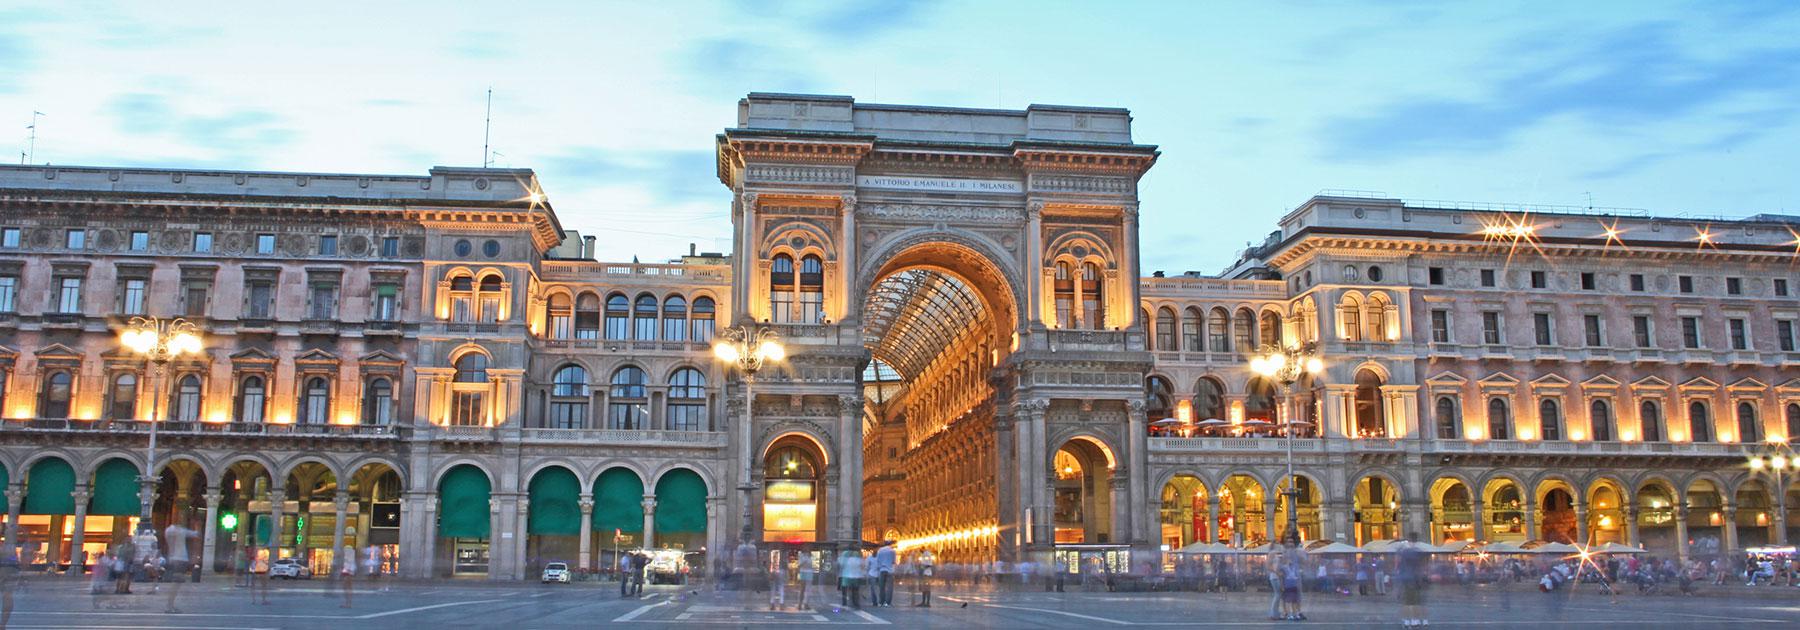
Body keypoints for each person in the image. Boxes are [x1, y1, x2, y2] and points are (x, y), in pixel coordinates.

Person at [164, 517, 197, 613]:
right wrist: (196, 525)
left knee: (176, 584)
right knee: (176, 584)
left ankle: (170, 605)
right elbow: (194, 534)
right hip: (180, 558)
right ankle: (169, 606)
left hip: (173, 558)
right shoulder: (180, 530)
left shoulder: (169, 530)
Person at [1397, 537, 1429, 627]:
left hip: (1409, 581)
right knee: (1418, 601)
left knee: (1408, 602)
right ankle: (1419, 620)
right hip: (1416, 581)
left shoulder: (1404, 558)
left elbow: (1401, 573)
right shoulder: (1416, 554)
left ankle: (1409, 620)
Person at [0, 543, 19, 630]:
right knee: (7, 597)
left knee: (7, 597)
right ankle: (3, 624)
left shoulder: (8, 548)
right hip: (7, 575)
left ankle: (3, 624)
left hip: (7, 576)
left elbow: (14, 562)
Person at [873, 541, 896, 606]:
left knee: (881, 587)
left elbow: (878, 560)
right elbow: (893, 561)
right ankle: (888, 602)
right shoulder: (892, 551)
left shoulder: (880, 550)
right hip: (889, 570)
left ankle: (881, 601)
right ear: (890, 544)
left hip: (882, 570)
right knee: (889, 587)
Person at [339, 543, 356, 608]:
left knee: (347, 587)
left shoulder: (349, 557)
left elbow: (350, 566)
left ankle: (348, 603)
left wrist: (347, 572)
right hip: (348, 572)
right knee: (347, 587)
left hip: (348, 572)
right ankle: (348, 603)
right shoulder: (348, 556)